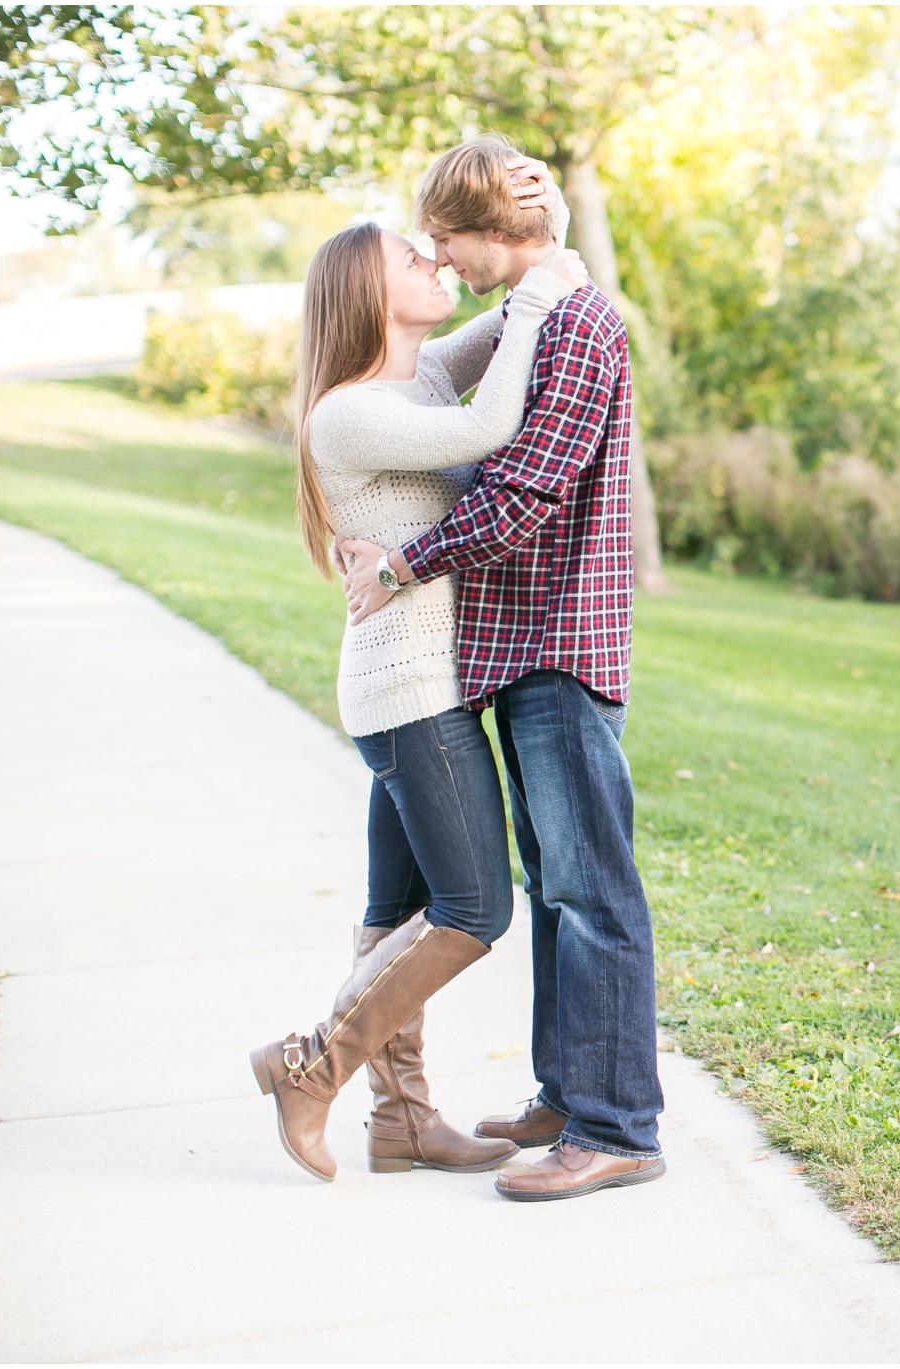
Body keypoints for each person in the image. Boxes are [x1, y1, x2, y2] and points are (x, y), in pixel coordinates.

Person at [337, 134, 667, 1203]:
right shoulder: (541, 318)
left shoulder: (577, 324)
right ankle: (568, 1095)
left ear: (493, 236)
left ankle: (618, 1126)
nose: (443, 261)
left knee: (590, 887)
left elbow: (521, 490)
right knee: (556, 888)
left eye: (448, 242)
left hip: (561, 648)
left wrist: (401, 564)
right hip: (513, 648)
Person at [249, 158, 588, 1182]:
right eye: (413, 251)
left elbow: (537, 277)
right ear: (368, 289)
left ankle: (401, 1122)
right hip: (412, 695)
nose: (435, 253)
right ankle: (318, 1062)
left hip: (413, 688)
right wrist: (531, 293)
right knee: (476, 909)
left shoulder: (422, 369)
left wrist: (542, 221)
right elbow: (495, 417)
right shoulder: (350, 410)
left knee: (391, 914)